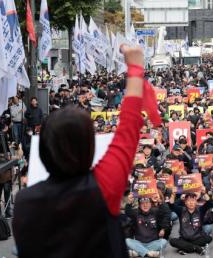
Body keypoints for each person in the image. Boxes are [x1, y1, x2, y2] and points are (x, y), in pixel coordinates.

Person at [13, 46, 146, 258]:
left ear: (44, 149)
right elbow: (129, 126)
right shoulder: (104, 185)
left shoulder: (23, 202)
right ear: (89, 148)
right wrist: (136, 67)